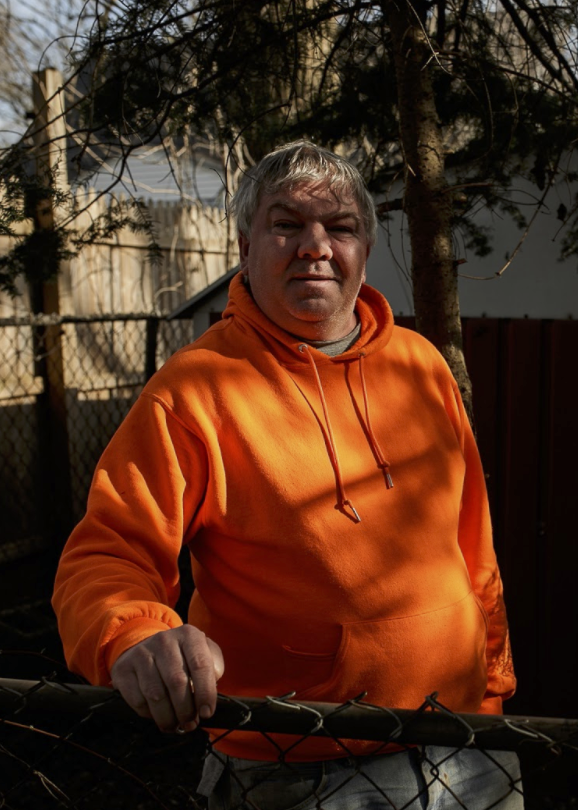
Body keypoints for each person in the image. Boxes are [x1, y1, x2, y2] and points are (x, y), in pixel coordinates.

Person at [52, 141, 519, 810]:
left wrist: (494, 689)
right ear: (246, 244)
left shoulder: (422, 367)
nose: (315, 246)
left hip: (467, 746)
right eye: (288, 224)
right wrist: (135, 632)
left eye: (340, 227)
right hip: (299, 766)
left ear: (364, 248)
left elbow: (473, 549)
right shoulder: (196, 390)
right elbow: (107, 549)